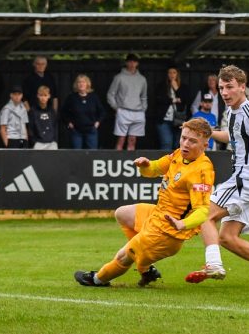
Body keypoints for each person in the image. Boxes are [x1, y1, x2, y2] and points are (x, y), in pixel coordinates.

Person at [74, 118, 215, 288]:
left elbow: (203, 211)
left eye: (192, 141)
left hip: (168, 232)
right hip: (158, 214)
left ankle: (98, 279)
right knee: (122, 213)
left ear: (205, 145)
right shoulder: (179, 154)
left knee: (124, 256)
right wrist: (144, 165)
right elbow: (154, 169)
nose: (185, 143)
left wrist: (182, 224)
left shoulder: (201, 171)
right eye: (183, 138)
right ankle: (146, 269)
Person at [186, 65, 249, 289]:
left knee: (202, 214)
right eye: (222, 87)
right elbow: (233, 138)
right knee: (226, 237)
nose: (224, 92)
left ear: (242, 88)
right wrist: (209, 133)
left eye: (230, 87)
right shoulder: (232, 111)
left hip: (246, 180)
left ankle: (213, 264)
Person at [107, 53, 148, 150]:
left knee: (132, 139)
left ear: (137, 63)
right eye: (130, 62)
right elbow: (110, 94)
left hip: (138, 112)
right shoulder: (119, 77)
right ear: (126, 63)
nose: (132, 64)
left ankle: (130, 163)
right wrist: (116, 108)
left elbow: (144, 96)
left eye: (134, 62)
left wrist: (143, 109)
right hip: (123, 110)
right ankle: (117, 161)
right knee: (121, 139)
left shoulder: (142, 79)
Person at [62, 74, 105, 149]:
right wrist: (68, 122)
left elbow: (102, 111)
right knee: (77, 154)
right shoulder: (71, 97)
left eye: (83, 82)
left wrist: (98, 122)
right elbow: (63, 112)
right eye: (79, 82)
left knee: (92, 154)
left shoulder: (93, 97)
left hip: (91, 130)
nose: (81, 84)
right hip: (76, 130)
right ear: (76, 84)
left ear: (87, 84)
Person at [154, 65, 187, 151]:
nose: (172, 75)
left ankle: (176, 164)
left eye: (174, 72)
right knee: (166, 143)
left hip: (178, 120)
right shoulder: (161, 86)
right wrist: (173, 100)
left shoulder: (183, 87)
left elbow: (185, 100)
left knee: (177, 144)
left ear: (177, 74)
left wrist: (176, 88)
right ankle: (165, 164)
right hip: (164, 119)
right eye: (170, 72)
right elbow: (159, 99)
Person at [29, 85, 59, 149]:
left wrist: (55, 141)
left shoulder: (52, 111)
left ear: (49, 96)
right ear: (37, 96)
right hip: (38, 143)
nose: (43, 98)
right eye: (41, 95)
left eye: (45, 95)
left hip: (51, 143)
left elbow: (55, 127)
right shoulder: (33, 111)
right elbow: (30, 128)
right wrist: (34, 142)